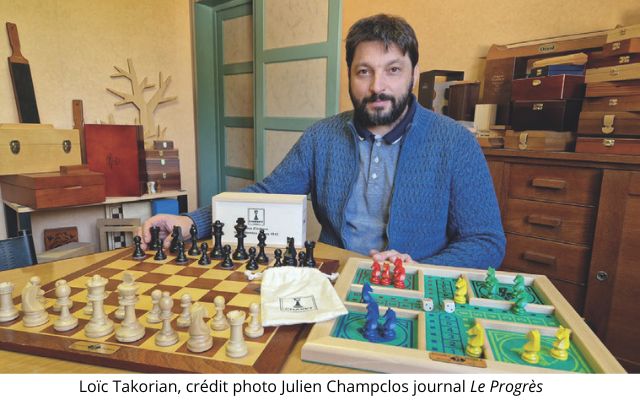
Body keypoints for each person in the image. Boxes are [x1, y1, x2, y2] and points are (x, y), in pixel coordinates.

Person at [139, 14, 505, 268]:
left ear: (414, 75)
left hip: (413, 287)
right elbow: (267, 194)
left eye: (393, 70)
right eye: (364, 71)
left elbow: (486, 242)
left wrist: (418, 269)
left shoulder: (455, 142)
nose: (377, 86)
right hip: (331, 278)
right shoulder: (322, 136)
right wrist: (190, 222)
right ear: (350, 75)